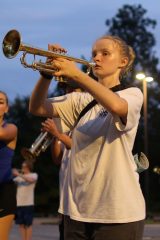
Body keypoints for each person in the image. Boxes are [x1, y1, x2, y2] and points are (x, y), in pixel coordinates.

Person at [29, 35, 145, 240]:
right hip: (75, 211)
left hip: (118, 212)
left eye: (105, 53)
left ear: (123, 62)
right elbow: (37, 107)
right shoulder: (79, 99)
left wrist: (77, 75)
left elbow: (116, 106)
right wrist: (45, 75)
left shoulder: (132, 94)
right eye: (94, 54)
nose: (97, 58)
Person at [0, 90, 18, 240]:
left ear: (6, 108)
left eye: (0, 102)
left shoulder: (11, 128)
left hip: (3, 190)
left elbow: (2, 134)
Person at [13, 160, 38, 240]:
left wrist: (19, 174)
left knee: (28, 224)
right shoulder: (18, 178)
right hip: (19, 204)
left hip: (28, 204)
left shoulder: (33, 175)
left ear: (28, 167)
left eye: (24, 167)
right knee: (21, 224)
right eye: (22, 167)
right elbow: (10, 180)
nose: (22, 168)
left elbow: (31, 180)